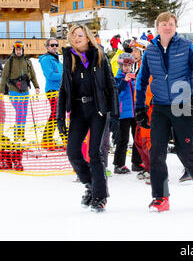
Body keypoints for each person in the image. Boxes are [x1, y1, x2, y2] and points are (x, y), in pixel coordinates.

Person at [134, 12, 193, 212]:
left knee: (185, 150)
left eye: (171, 24)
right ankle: (160, 197)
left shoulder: (187, 47)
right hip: (159, 106)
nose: (167, 27)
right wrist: (140, 107)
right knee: (156, 151)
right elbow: (141, 81)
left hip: (182, 104)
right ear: (157, 27)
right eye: (164, 24)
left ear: (175, 27)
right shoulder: (150, 50)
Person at [57, 24, 119, 213]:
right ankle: (91, 185)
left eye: (80, 35)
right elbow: (63, 88)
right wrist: (60, 116)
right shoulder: (69, 58)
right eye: (74, 35)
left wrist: (115, 115)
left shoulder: (98, 55)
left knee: (94, 154)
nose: (77, 38)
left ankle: (100, 196)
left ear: (87, 37)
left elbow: (111, 85)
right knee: (73, 152)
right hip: (78, 110)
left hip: (97, 109)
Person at [0, 41, 40, 142]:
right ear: (14, 50)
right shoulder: (10, 61)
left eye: (20, 49)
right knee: (20, 111)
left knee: (24, 113)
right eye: (17, 49)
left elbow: (33, 75)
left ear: (23, 50)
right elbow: (4, 76)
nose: (19, 51)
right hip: (14, 90)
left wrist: (36, 86)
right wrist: (1, 90)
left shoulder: (27, 61)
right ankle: (17, 133)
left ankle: (20, 133)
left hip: (25, 90)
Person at [112, 53, 143, 174]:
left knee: (137, 138)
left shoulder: (133, 78)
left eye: (129, 65)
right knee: (123, 139)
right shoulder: (118, 78)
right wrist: (124, 81)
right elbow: (117, 92)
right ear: (120, 66)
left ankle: (136, 162)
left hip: (134, 112)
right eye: (124, 65)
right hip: (123, 114)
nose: (127, 68)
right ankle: (119, 164)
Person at [39, 38, 67, 150]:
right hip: (52, 91)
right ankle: (48, 139)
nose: (54, 47)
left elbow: (60, 73)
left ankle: (50, 139)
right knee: (56, 114)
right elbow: (50, 75)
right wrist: (64, 75)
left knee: (58, 114)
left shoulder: (57, 59)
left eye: (56, 45)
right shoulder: (46, 59)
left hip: (60, 90)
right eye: (52, 45)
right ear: (47, 47)